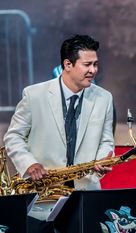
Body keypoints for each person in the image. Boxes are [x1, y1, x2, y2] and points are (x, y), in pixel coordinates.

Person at [3, 34, 114, 232]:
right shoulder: (33, 95)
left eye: (96, 64)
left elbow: (106, 140)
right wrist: (29, 164)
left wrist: (102, 159)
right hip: (43, 195)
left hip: (85, 194)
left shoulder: (104, 98)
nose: (93, 70)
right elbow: (13, 137)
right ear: (68, 64)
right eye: (87, 64)